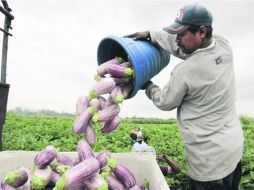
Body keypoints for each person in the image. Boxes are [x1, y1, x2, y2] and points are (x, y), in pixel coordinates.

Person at [125, 3, 244, 190]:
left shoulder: (186, 71)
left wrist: (147, 84)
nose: (177, 39)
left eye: (181, 34)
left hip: (208, 162)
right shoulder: (223, 46)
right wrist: (153, 34)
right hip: (232, 149)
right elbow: (183, 47)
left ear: (202, 32)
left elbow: (164, 101)